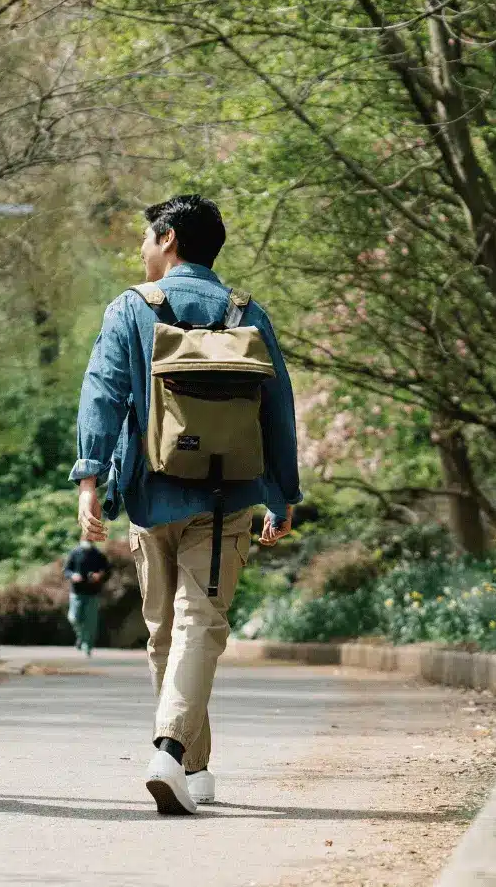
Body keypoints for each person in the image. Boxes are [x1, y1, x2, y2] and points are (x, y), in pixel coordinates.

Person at [72, 194, 300, 815]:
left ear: (168, 238)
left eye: (148, 236)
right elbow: (278, 409)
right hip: (228, 496)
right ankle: (190, 766)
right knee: (194, 626)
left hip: (152, 494)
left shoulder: (131, 308)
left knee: (165, 634)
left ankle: (168, 750)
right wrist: (282, 494)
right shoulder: (247, 313)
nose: (142, 248)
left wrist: (90, 478)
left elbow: (103, 394)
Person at [63, 539, 111, 656]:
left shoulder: (98, 555)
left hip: (93, 593)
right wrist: (73, 575)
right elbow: (67, 570)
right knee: (74, 618)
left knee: (90, 622)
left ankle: (87, 646)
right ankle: (81, 637)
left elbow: (108, 571)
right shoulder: (74, 553)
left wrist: (99, 575)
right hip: (76, 592)